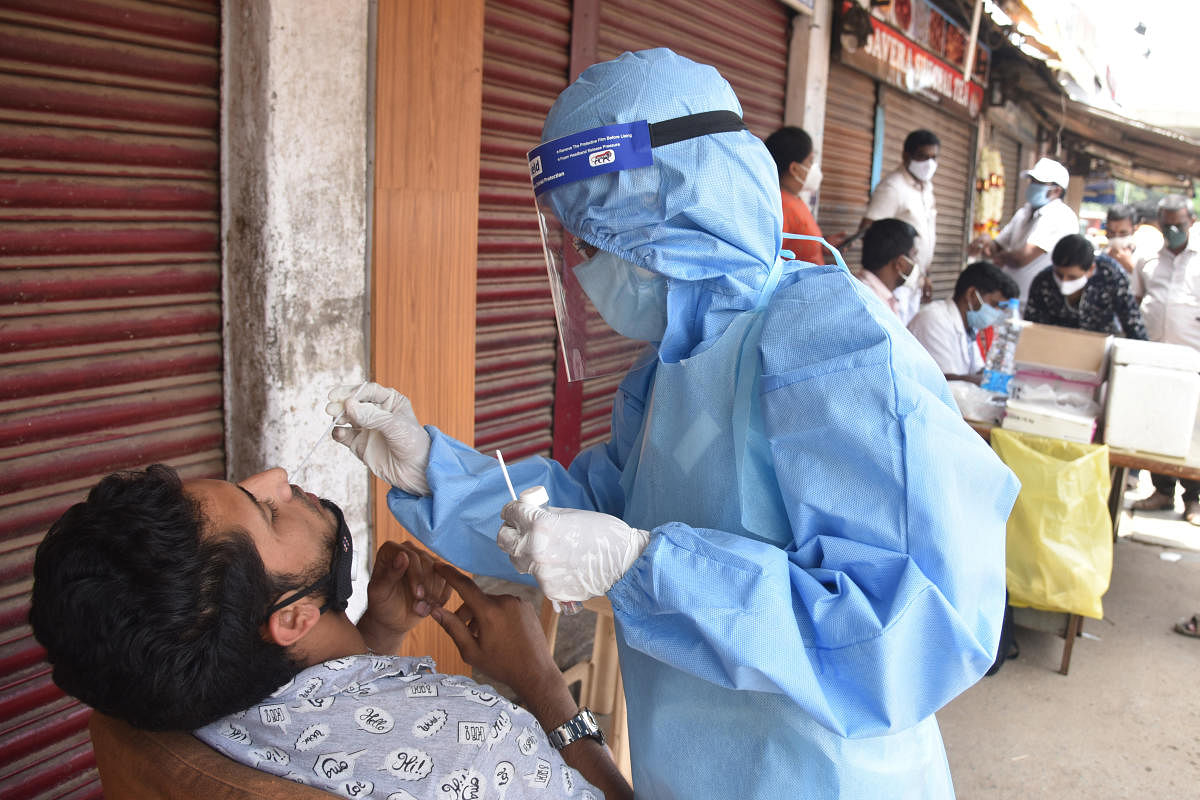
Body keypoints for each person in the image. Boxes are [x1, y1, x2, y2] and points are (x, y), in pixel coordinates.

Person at [328, 49, 1019, 799]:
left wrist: (648, 567)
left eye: (595, 236)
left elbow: (905, 633)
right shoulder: (670, 366)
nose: (585, 265)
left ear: (671, 212)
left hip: (821, 774)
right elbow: (596, 504)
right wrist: (434, 467)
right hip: (687, 768)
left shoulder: (834, 348)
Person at [29, 464, 632, 800]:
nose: (277, 477)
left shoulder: (176, 697)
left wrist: (379, 633)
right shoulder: (476, 739)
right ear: (292, 619)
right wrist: (539, 680)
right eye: (264, 510)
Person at [1130, 195, 1200, 525]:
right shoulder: (1148, 259)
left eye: (1179, 224)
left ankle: (1194, 499)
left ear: (1191, 221)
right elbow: (1136, 300)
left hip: (1193, 361)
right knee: (1157, 428)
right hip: (1154, 361)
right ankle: (1161, 491)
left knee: (1192, 434)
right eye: (1167, 224)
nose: (1173, 230)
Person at [970, 156, 1079, 305]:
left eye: (1039, 183)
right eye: (1032, 181)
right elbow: (997, 245)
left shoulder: (1060, 216)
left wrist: (998, 256)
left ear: (1057, 191)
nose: (1033, 186)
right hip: (1009, 299)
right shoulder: (1024, 212)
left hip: (1035, 302)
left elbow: (1021, 258)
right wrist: (986, 242)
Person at [859, 128, 940, 323]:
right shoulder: (893, 188)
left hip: (913, 280)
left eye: (934, 157)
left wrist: (922, 276)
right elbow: (870, 230)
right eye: (922, 156)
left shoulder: (926, 189)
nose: (929, 164)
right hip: (893, 281)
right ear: (906, 155)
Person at [908, 261, 1019, 383]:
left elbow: (977, 370)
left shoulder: (969, 327)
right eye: (994, 304)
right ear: (971, 294)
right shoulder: (933, 320)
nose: (998, 313)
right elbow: (944, 381)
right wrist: (987, 381)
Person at [1023, 233, 1147, 338]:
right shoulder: (1043, 281)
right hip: (1055, 345)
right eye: (1059, 275)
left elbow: (1132, 323)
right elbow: (1032, 328)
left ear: (1091, 269)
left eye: (1072, 277)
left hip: (1099, 345)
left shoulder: (1111, 275)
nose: (1064, 281)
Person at [763, 125, 825, 264]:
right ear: (795, 169)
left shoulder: (794, 199)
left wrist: (823, 245)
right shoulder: (781, 206)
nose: (814, 167)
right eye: (810, 161)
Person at [855, 217, 921, 316]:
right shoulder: (869, 304)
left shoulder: (884, 297)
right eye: (914, 256)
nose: (916, 262)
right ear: (900, 264)